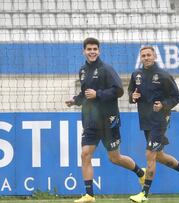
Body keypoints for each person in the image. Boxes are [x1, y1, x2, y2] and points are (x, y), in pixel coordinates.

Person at [65, 37, 146, 203]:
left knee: (115, 158)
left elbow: (119, 91)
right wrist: (75, 100)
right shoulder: (82, 71)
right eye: (89, 49)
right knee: (85, 154)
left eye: (95, 49)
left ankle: (140, 173)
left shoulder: (107, 69)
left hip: (109, 121)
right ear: (84, 51)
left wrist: (98, 94)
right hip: (90, 122)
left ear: (99, 51)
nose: (92, 52)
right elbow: (85, 93)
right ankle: (89, 195)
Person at [128, 46, 179, 203]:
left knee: (149, 154)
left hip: (160, 120)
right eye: (143, 55)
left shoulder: (164, 76)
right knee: (158, 156)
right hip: (145, 120)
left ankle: (144, 194)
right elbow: (131, 94)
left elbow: (176, 97)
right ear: (141, 58)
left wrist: (163, 105)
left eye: (148, 55)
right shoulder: (136, 74)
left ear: (154, 56)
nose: (146, 57)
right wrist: (133, 96)